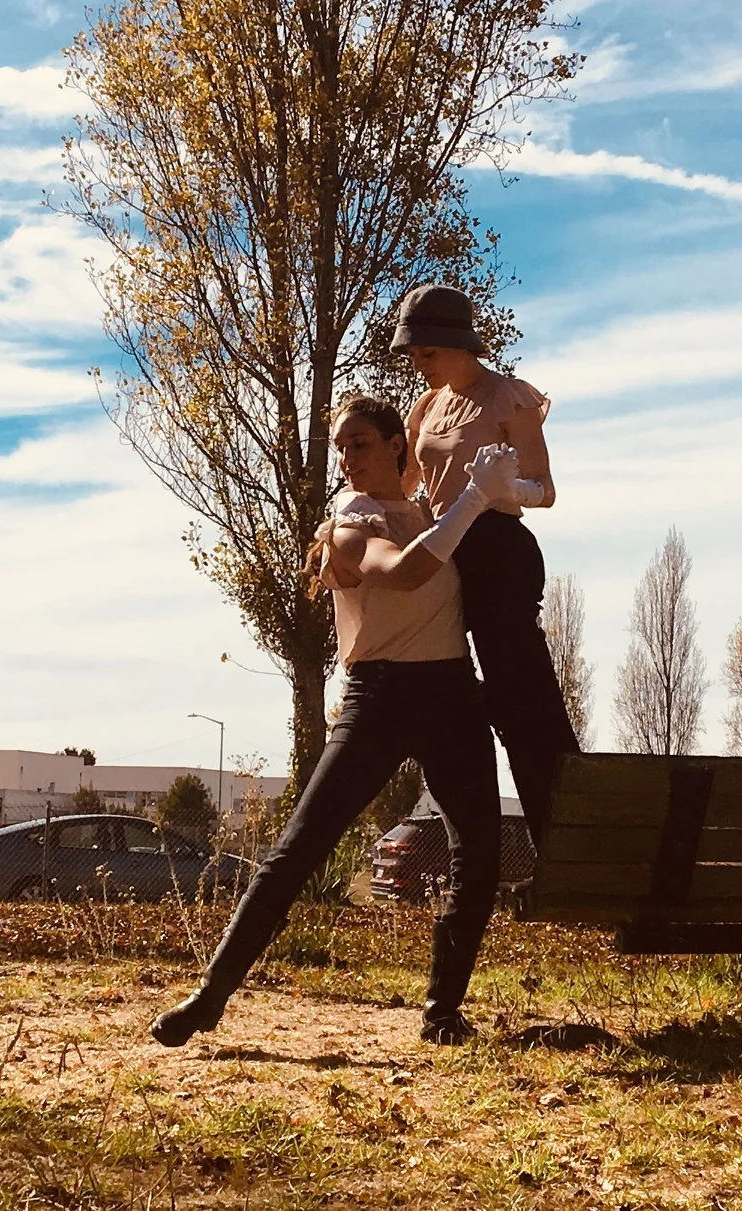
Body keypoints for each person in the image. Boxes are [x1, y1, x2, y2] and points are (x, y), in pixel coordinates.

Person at [150, 394, 519, 1048]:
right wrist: (474, 501)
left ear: (395, 445)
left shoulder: (428, 505)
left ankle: (441, 1014)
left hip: (452, 692)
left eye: (361, 444)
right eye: (341, 448)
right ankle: (210, 995)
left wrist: (497, 481)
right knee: (299, 847)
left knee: (481, 857)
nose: (347, 459)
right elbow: (407, 572)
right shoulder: (350, 523)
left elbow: (523, 485)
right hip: (379, 698)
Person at [391, 284, 579, 840]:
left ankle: (565, 839)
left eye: (427, 352)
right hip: (446, 547)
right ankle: (477, 844)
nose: (418, 364)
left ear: (459, 345)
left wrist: (505, 488)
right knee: (453, 697)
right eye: (413, 354)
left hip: (498, 549)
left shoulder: (507, 397)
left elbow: (545, 490)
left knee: (519, 700)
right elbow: (406, 486)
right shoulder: (424, 408)